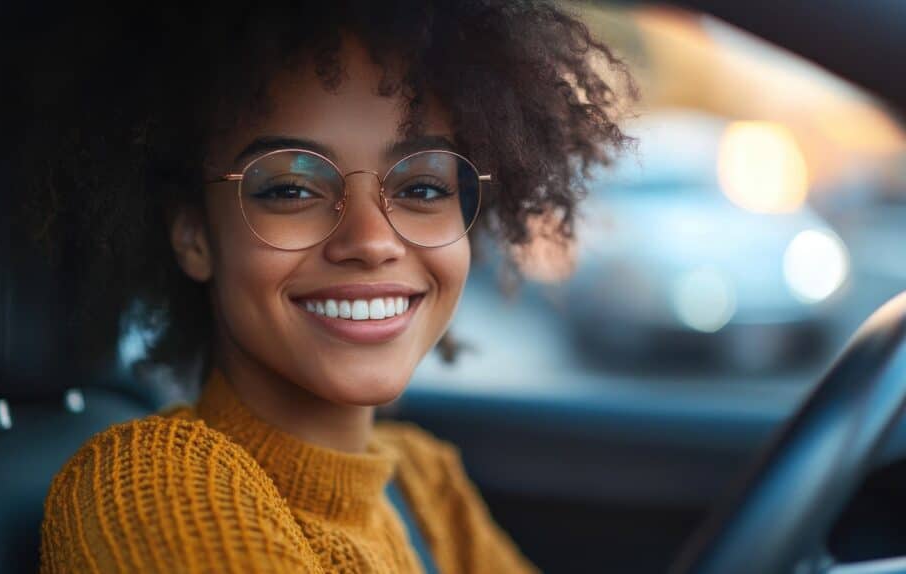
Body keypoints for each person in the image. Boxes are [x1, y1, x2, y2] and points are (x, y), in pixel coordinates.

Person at [31, 1, 632, 572]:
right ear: (193, 234)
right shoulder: (150, 483)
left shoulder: (424, 485)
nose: (372, 240)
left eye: (423, 187)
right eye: (291, 189)